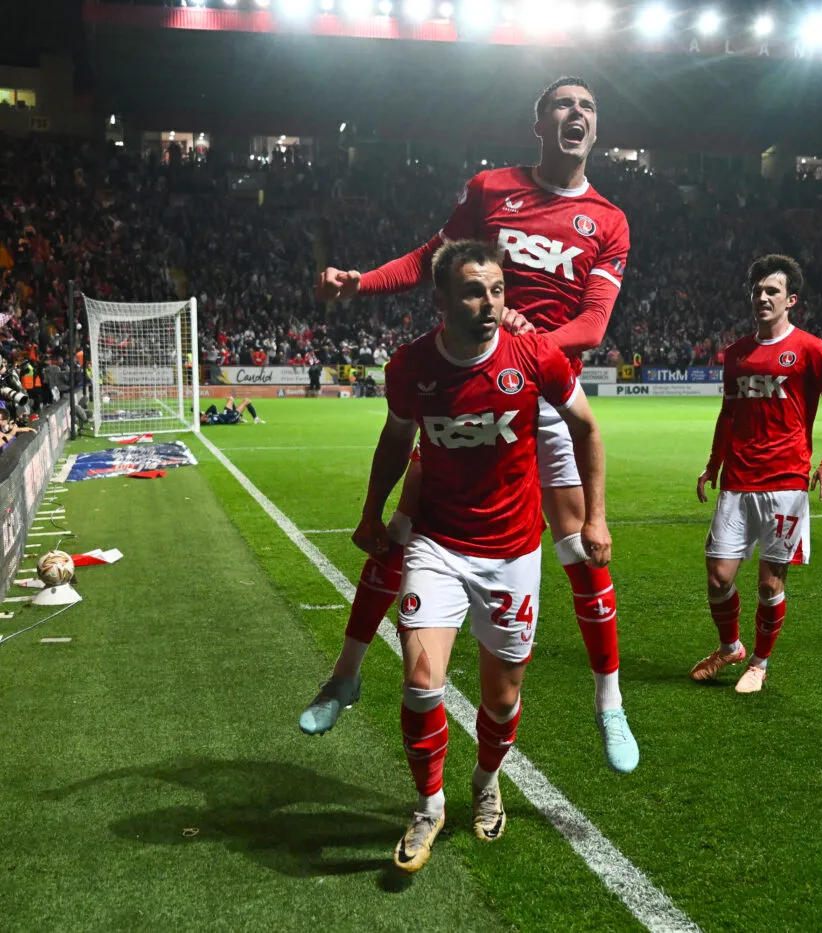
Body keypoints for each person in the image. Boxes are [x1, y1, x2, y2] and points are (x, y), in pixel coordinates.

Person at [306, 77, 639, 773]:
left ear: (596, 128)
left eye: (587, 107)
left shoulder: (608, 220)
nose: (576, 114)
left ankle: (609, 701)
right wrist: (360, 282)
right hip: (472, 388)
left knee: (581, 547)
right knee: (404, 530)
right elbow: (430, 258)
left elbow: (592, 324)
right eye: (563, 104)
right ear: (539, 122)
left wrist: (528, 344)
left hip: (544, 388)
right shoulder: (493, 190)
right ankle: (345, 674)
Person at [362, 240, 612, 871]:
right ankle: (429, 804)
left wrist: (596, 516)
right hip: (438, 545)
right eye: (474, 292)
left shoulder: (533, 354)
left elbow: (585, 427)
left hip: (512, 551)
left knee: (501, 701)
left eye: (498, 291)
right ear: (441, 299)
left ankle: (485, 779)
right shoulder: (411, 366)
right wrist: (371, 511)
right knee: (421, 682)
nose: (490, 304)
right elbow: (395, 441)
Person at [693, 255, 822, 693]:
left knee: (769, 585)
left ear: (791, 300)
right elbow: (728, 413)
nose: (763, 297)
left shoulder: (810, 349)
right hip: (737, 481)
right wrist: (713, 463)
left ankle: (759, 664)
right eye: (758, 291)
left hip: (785, 483)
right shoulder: (736, 354)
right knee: (718, 577)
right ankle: (730, 647)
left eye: (772, 291)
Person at [200, 395, 264, 425]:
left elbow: (213, 407)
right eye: (202, 414)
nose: (203, 413)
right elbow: (221, 421)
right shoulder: (210, 420)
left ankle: (239, 418)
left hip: (226, 414)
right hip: (231, 418)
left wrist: (205, 414)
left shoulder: (211, 416)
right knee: (247, 400)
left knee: (231, 398)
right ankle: (256, 419)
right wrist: (205, 416)